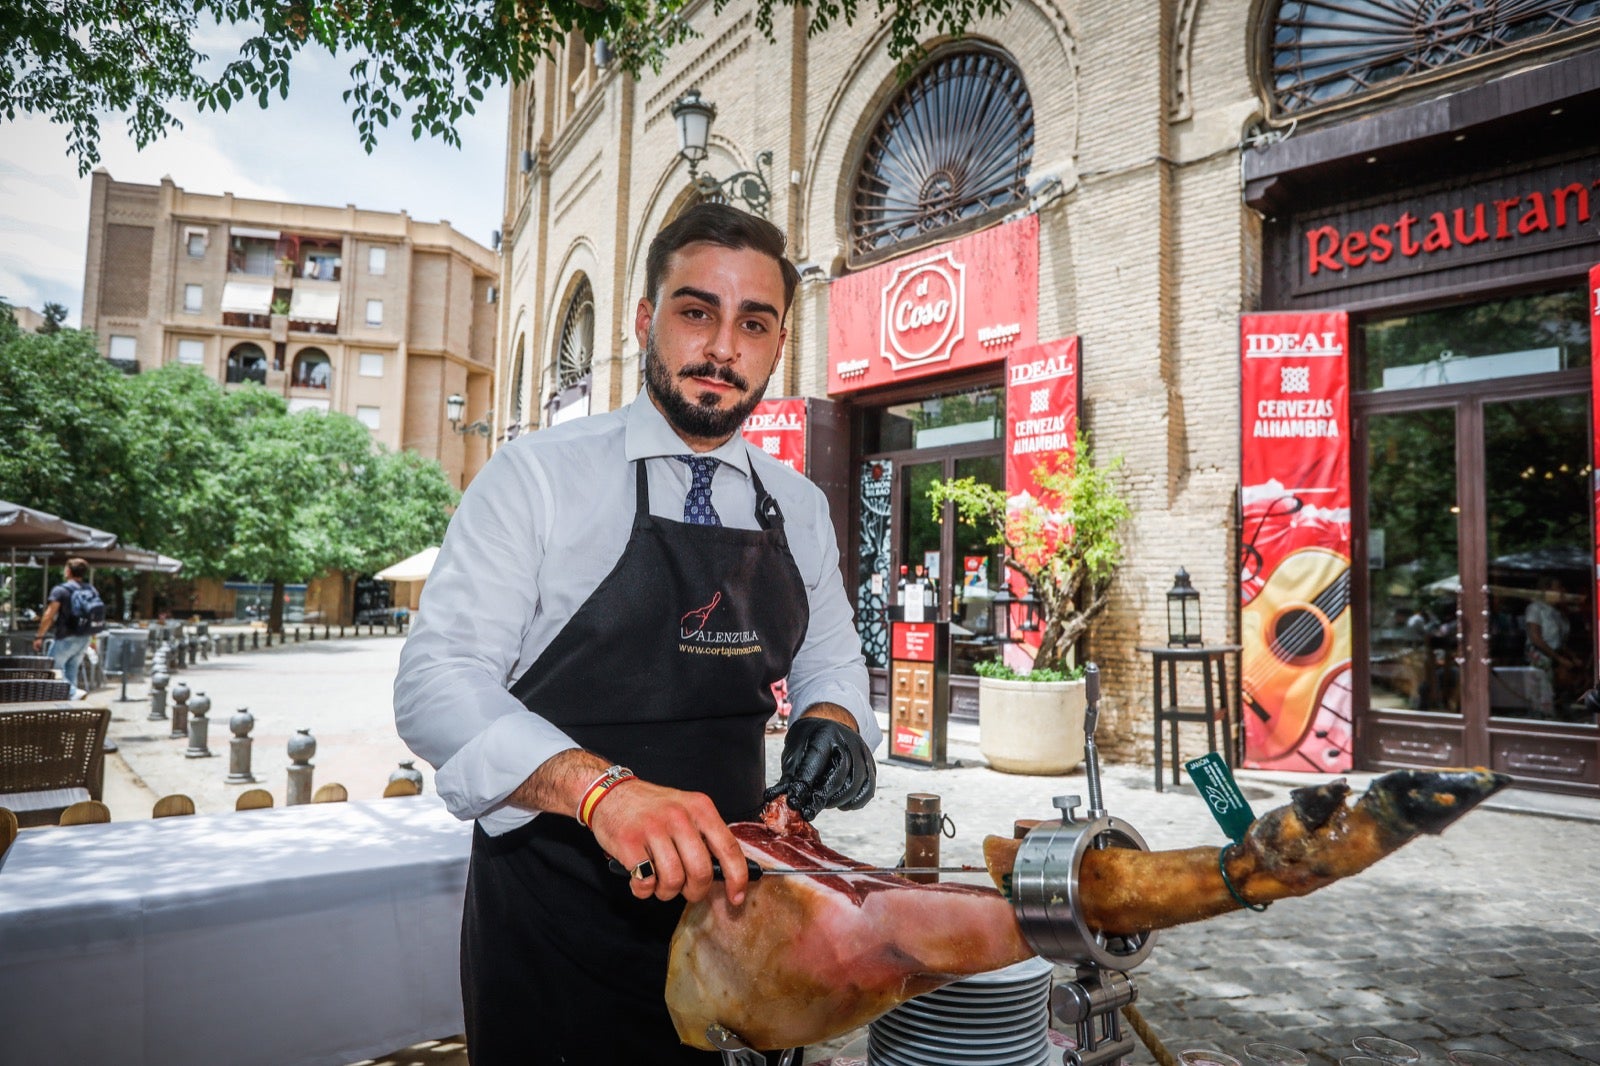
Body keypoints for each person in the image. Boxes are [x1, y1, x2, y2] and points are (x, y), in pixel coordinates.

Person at [394, 203, 880, 1065]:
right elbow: (438, 681)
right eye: (697, 312)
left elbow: (832, 658)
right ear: (645, 321)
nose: (723, 348)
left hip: (737, 920)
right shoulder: (536, 479)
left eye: (753, 323)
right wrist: (603, 792)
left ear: (778, 344)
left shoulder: (797, 509)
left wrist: (833, 720)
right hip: (553, 925)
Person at [32, 558, 101, 699]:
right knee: (71, 671)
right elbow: (94, 617)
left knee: (52, 670)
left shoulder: (61, 590)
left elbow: (49, 615)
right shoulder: (91, 590)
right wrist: (93, 640)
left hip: (65, 637)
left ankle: (73, 693)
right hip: (85, 637)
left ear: (68, 571)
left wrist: (39, 636)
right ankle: (70, 704)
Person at [1524, 575, 1578, 718]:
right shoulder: (1535, 608)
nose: (1562, 591)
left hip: (1556, 658)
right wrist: (1558, 658)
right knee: (1542, 698)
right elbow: (1536, 638)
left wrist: (1572, 656)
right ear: (1547, 590)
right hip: (1541, 658)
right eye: (1558, 587)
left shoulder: (1558, 612)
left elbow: (1559, 640)